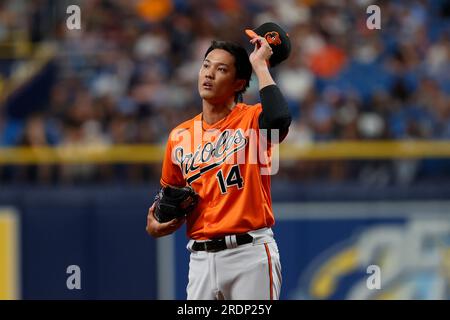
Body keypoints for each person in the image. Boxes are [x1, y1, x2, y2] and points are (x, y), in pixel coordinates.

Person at [146, 35, 292, 300]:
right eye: (206, 65)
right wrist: (156, 222)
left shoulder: (251, 119)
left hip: (249, 255)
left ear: (238, 83)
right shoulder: (179, 136)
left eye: (221, 69)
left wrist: (260, 65)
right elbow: (167, 196)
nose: (209, 74)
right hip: (200, 259)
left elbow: (280, 120)